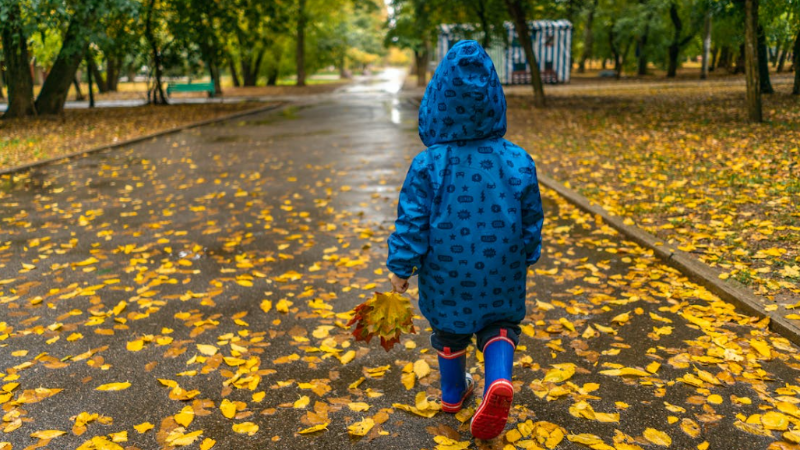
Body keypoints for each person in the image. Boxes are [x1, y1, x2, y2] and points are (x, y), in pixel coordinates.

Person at [386, 40, 544, 440]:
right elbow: (531, 216)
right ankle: (497, 382)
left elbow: (413, 220)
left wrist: (400, 266)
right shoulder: (517, 159)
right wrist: (528, 252)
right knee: (501, 325)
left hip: (447, 272)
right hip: (502, 266)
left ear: (437, 100)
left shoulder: (428, 164)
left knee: (450, 330)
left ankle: (454, 393)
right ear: (494, 99)